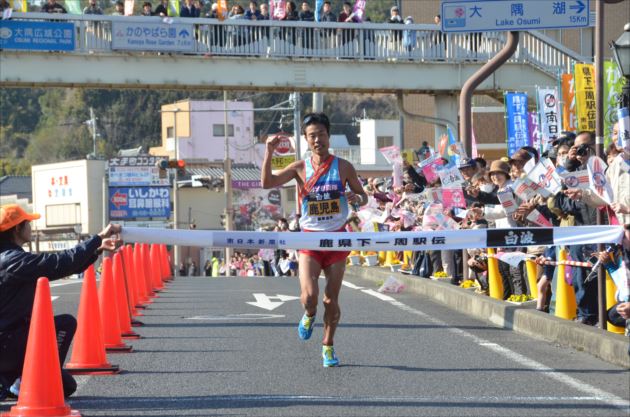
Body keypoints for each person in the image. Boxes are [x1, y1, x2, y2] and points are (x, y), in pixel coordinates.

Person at [262, 112, 368, 367]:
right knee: (310, 296)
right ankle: (309, 314)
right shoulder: (300, 167)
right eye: (312, 136)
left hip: (337, 240)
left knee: (331, 299)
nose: (317, 139)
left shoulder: (343, 166)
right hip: (309, 240)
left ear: (328, 136)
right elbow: (267, 183)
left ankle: (328, 346)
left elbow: (363, 196)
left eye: (321, 134)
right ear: (306, 140)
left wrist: (357, 199)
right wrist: (269, 152)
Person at [0, 204, 121, 400]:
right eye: (28, 223)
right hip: (6, 344)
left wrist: (96, 249)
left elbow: (62, 267)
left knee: (66, 386)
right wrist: (97, 237)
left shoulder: (10, 257)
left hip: (10, 340)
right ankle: (21, 381)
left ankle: (10, 380)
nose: (31, 227)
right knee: (65, 324)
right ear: (16, 229)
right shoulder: (12, 260)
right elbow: (58, 263)